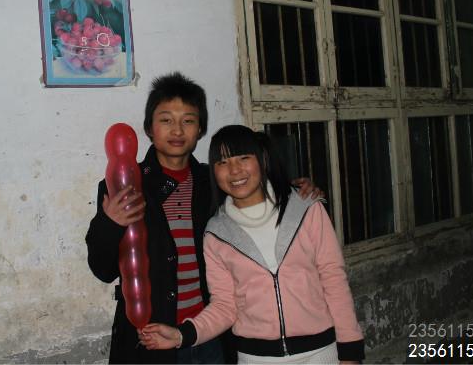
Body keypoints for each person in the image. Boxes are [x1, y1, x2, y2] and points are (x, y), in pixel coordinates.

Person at [86, 73, 322, 364]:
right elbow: (103, 270)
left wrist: (298, 191)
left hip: (212, 333)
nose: (177, 130)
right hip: (150, 340)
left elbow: (263, 207)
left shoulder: (217, 181)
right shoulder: (123, 187)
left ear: (200, 129)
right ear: (149, 128)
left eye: (188, 120)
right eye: (166, 120)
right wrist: (110, 224)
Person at [138, 125, 365, 364]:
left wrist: (350, 351)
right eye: (223, 162)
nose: (234, 170)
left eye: (244, 158)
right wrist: (181, 335)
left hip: (321, 353)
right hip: (255, 358)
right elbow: (225, 306)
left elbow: (334, 279)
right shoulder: (216, 233)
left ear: (262, 160)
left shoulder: (306, 208)